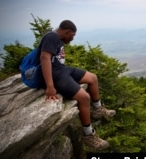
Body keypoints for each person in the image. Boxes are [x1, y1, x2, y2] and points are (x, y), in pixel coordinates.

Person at [37, 20, 116, 150]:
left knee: (92, 78)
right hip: (56, 75)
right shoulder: (51, 37)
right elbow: (44, 58)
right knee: (84, 98)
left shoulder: (57, 38)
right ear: (67, 32)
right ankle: (88, 135)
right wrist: (50, 87)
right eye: (72, 36)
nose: (72, 39)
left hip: (62, 69)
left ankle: (98, 109)